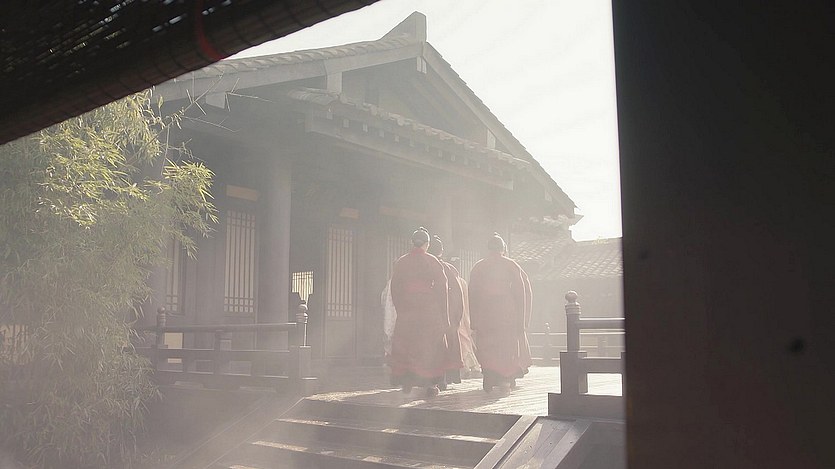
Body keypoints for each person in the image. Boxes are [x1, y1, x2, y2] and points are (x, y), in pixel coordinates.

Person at [389, 227, 450, 397]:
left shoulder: (401, 262)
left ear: (412, 243)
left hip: (407, 308)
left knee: (406, 343)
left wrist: (401, 308)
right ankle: (430, 383)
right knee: (429, 346)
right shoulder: (432, 261)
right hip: (429, 310)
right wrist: (443, 315)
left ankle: (407, 379)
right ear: (427, 244)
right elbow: (442, 288)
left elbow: (395, 288)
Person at [468, 232, 532, 392]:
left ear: (488, 248)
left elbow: (472, 294)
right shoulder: (511, 265)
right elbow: (521, 292)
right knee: (507, 344)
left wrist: (473, 319)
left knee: (487, 344)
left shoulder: (479, 266)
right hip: (506, 310)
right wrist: (523, 320)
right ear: (503, 248)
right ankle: (506, 377)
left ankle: (489, 375)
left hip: (485, 311)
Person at [427, 235, 465, 390]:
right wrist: (457, 315)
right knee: (447, 348)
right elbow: (457, 294)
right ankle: (444, 378)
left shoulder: (422, 267)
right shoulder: (448, 269)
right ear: (441, 251)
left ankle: (432, 379)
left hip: (427, 314)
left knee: (430, 349)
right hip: (446, 314)